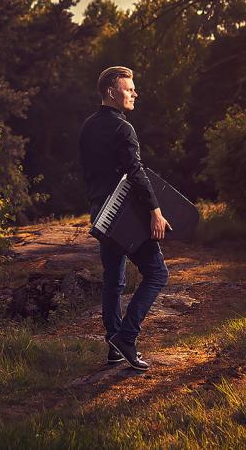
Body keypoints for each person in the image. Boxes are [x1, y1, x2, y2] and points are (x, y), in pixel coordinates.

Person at [78, 66, 170, 371]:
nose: (134, 93)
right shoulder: (123, 128)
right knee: (157, 274)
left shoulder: (88, 127)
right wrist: (155, 211)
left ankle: (113, 347)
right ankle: (126, 338)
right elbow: (136, 172)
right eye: (128, 89)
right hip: (123, 215)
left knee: (114, 282)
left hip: (100, 214)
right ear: (111, 92)